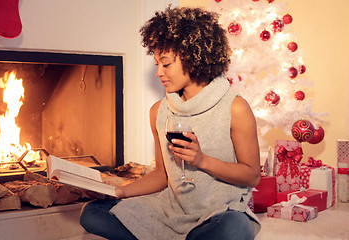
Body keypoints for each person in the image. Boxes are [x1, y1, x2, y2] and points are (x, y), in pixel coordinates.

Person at [80, 6, 261, 240]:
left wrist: (202, 160)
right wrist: (120, 191)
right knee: (91, 213)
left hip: (219, 213)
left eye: (165, 64)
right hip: (170, 213)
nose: (158, 73)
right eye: (156, 64)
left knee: (234, 228)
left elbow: (252, 175)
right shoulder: (159, 112)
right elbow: (162, 175)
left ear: (195, 57)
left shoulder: (235, 108)